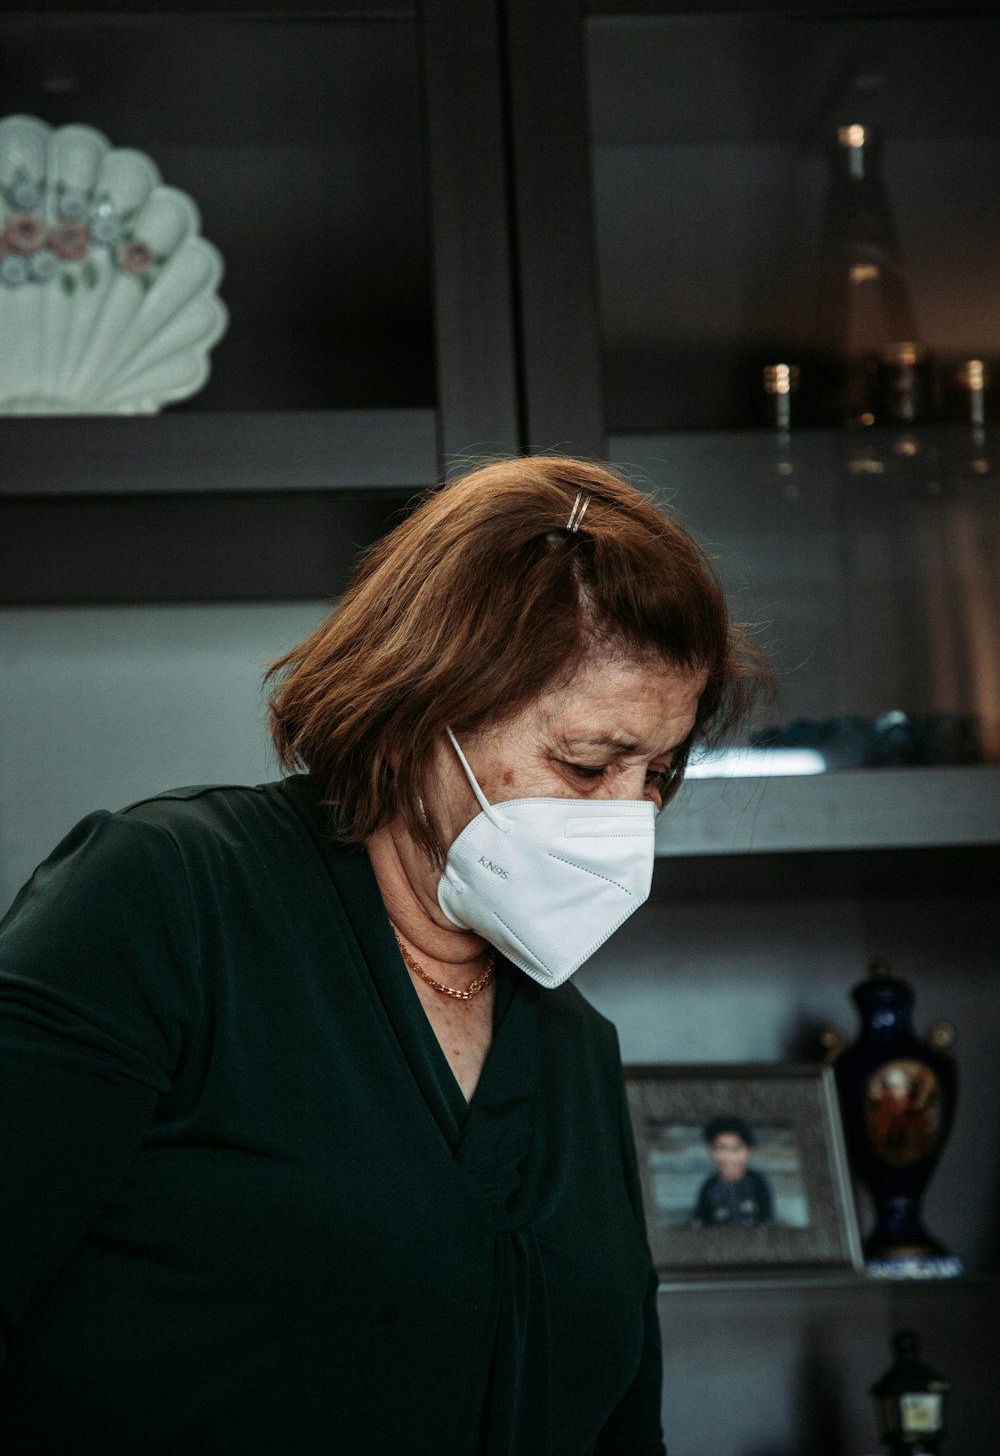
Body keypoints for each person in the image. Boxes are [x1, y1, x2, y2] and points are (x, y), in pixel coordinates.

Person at [0, 455, 770, 1454]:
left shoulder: (572, 1039)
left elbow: (621, 1426)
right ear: (420, 714)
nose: (630, 817)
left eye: (657, 773)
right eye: (587, 764)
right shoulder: (169, 900)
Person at [691, 1116, 774, 1228]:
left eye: (735, 1149)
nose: (728, 1156)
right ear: (712, 1150)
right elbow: (701, 1223)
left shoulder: (758, 1183)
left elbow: (767, 1220)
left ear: (749, 1150)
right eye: (721, 1148)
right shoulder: (708, 1187)